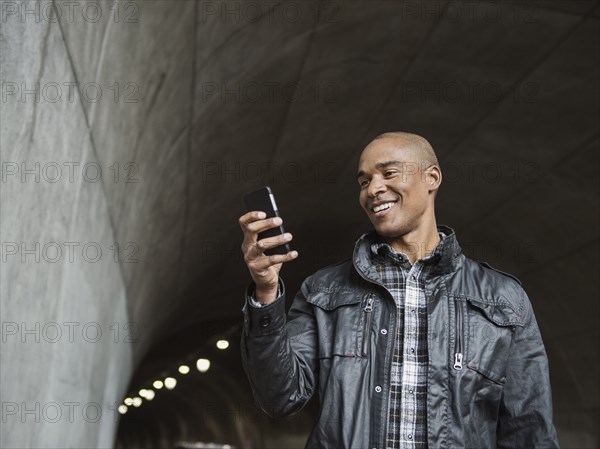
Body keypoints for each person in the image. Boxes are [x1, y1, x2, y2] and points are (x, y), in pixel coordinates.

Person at [238, 132, 559, 449]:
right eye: (364, 181)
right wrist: (266, 292)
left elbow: (529, 429)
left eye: (388, 173)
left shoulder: (501, 298)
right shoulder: (323, 291)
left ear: (432, 177)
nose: (373, 189)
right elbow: (279, 397)